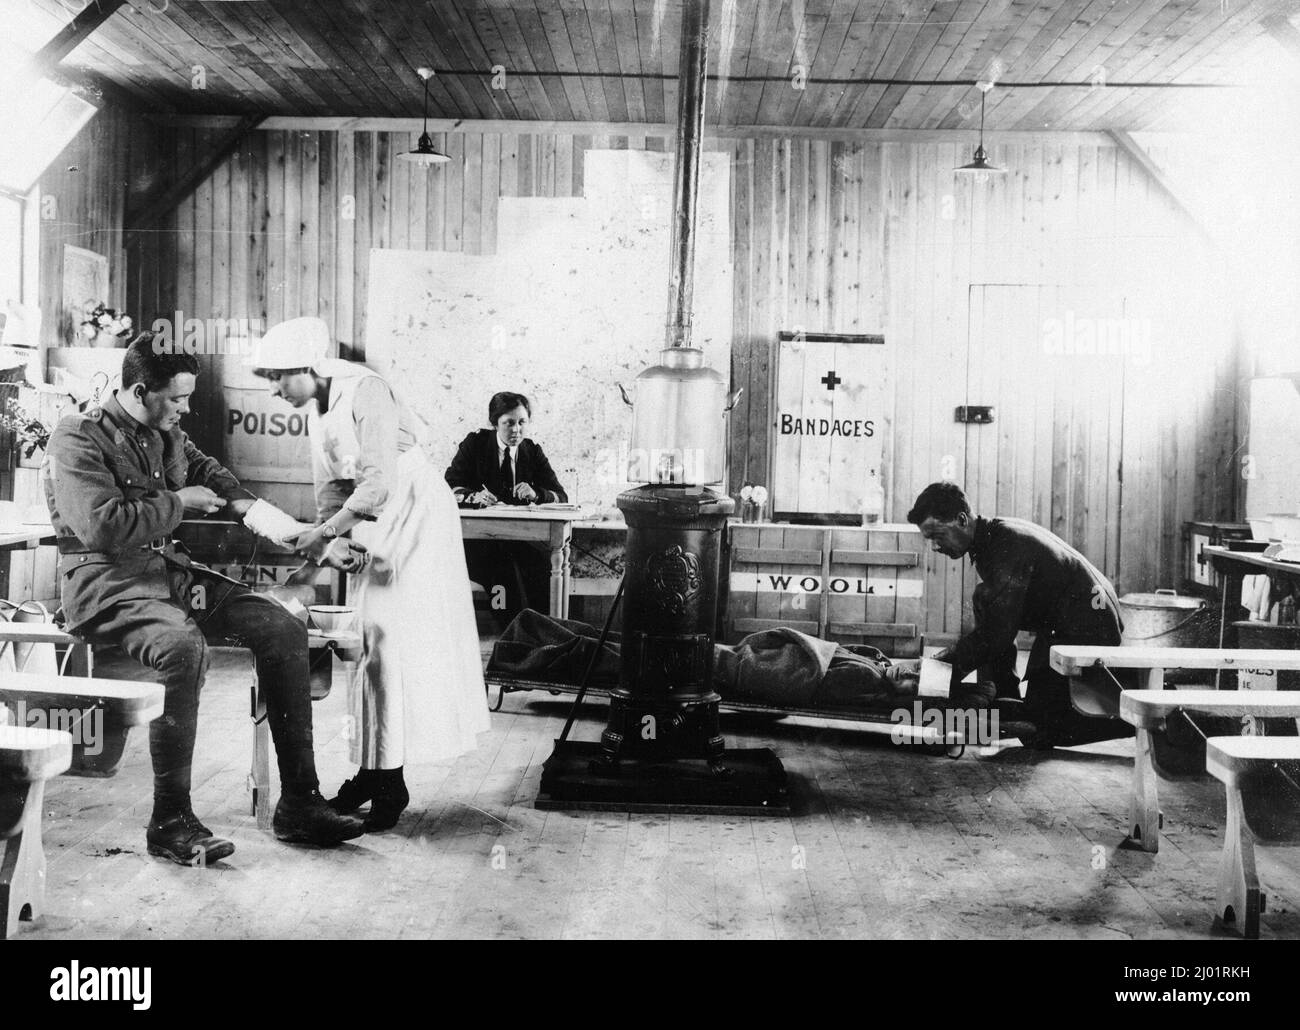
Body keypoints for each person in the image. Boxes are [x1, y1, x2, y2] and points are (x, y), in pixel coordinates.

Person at [43, 334, 365, 866]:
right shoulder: (77, 437)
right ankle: (170, 821)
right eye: (178, 398)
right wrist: (178, 502)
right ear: (141, 390)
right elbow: (102, 527)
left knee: (281, 625)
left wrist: (311, 538)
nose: (186, 409)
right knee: (182, 649)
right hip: (108, 588)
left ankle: (301, 803)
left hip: (169, 578)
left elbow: (225, 485)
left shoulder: (167, 434)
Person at [250, 316, 489, 831]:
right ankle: (374, 771)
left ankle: (388, 777)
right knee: (367, 642)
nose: (273, 389)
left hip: (415, 514)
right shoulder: (314, 408)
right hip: (373, 520)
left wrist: (327, 531)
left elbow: (379, 479)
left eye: (279, 377)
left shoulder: (367, 390)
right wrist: (336, 538)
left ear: (310, 367)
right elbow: (330, 489)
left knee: (391, 640)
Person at [905, 482, 1133, 746]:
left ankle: (1146, 718)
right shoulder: (994, 535)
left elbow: (995, 636)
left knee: (1038, 730)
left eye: (937, 535)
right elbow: (999, 621)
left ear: (961, 519)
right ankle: (1004, 696)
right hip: (1075, 619)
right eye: (928, 539)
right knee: (985, 598)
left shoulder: (1005, 546)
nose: (934, 547)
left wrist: (936, 670)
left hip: (1088, 625)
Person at [445, 392, 568, 627]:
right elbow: (449, 485)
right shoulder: (475, 444)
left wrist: (537, 494)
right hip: (478, 544)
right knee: (503, 574)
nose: (516, 430)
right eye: (508, 423)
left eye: (522, 422)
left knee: (540, 567)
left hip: (516, 541)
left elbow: (560, 495)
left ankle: (544, 633)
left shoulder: (532, 451)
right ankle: (510, 632)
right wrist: (473, 496)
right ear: (494, 423)